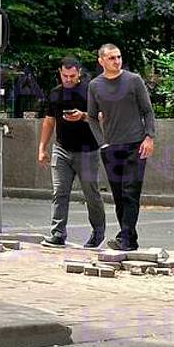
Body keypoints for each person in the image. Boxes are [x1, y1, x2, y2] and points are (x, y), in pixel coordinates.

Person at [87, 43, 156, 251]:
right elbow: (91, 117)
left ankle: (124, 238)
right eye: (111, 58)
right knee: (118, 195)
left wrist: (149, 137)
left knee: (130, 192)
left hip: (136, 144)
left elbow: (148, 111)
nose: (117, 61)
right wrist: (102, 143)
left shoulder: (133, 80)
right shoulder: (95, 85)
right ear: (101, 61)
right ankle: (129, 239)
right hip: (111, 147)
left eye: (118, 57)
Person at [38, 57, 105, 248]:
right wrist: (42, 148)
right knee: (59, 192)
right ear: (60, 73)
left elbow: (102, 116)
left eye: (72, 76)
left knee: (91, 194)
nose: (68, 79)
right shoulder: (55, 94)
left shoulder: (89, 91)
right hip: (61, 149)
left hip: (87, 150)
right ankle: (58, 233)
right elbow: (49, 120)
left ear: (79, 73)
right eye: (65, 75)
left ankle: (98, 232)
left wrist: (82, 116)